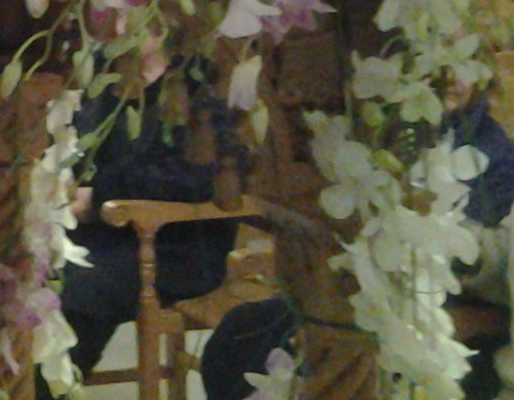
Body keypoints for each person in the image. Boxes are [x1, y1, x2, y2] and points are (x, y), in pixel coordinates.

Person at [202, 94, 514, 400]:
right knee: (239, 336)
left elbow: (489, 315)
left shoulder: (490, 156)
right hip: (400, 294)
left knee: (322, 347)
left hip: (452, 329)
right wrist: (438, 242)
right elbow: (495, 256)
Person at [36, 43, 240, 399]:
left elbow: (197, 179)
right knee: (28, 270)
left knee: (81, 285)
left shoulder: (199, 81)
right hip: (103, 234)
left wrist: (99, 196)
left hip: (177, 244)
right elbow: (75, 147)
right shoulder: (101, 74)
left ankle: (50, 390)